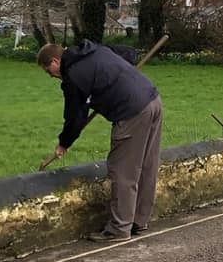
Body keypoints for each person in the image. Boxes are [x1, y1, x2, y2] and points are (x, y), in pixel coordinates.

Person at [37, 40, 163, 242]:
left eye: (48, 71)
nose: (51, 76)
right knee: (147, 165)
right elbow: (128, 52)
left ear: (54, 61)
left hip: (131, 112)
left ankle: (119, 228)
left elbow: (75, 117)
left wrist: (64, 143)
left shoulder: (72, 77)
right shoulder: (94, 50)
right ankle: (139, 221)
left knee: (122, 169)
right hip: (153, 100)